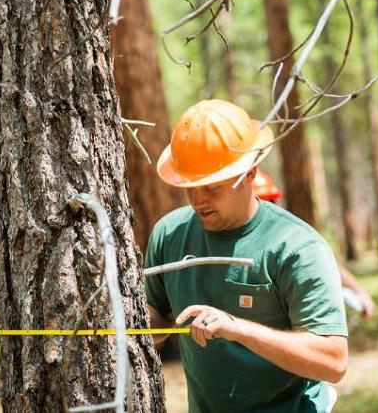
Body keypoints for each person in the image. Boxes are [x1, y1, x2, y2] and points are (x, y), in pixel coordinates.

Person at [145, 99, 348, 412]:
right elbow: (157, 321)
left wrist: (236, 328)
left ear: (250, 172)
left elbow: (333, 362)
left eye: (212, 187)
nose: (198, 200)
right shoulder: (169, 234)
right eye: (191, 186)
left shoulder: (296, 247)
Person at [252, 169, 376, 319]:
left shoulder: (286, 237)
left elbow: (324, 263)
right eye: (263, 202)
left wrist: (358, 291)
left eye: (271, 202)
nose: (268, 209)